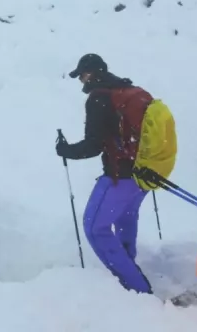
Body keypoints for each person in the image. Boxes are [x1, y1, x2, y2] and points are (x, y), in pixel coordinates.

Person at [56, 54, 154, 295]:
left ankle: (136, 288)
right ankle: (129, 270)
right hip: (143, 175)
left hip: (119, 176)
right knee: (125, 220)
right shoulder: (129, 90)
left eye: (81, 75)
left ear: (91, 73)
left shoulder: (99, 97)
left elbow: (94, 145)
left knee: (95, 227)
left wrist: (66, 151)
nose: (81, 81)